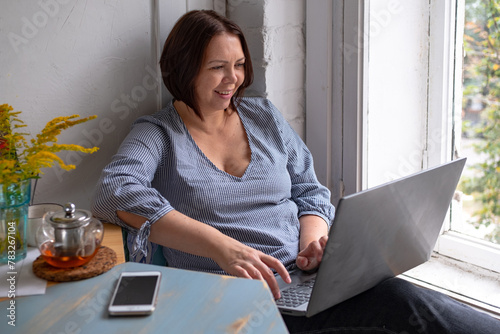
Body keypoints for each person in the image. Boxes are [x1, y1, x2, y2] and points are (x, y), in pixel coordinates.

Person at [92, 10, 500, 333]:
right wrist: (223, 247)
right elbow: (114, 192)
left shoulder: (263, 115)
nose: (233, 79)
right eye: (217, 66)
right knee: (408, 307)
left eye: (238, 64)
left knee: (409, 299)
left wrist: (315, 243)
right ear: (182, 69)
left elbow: (308, 189)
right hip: (237, 299)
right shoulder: (158, 133)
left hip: (306, 284)